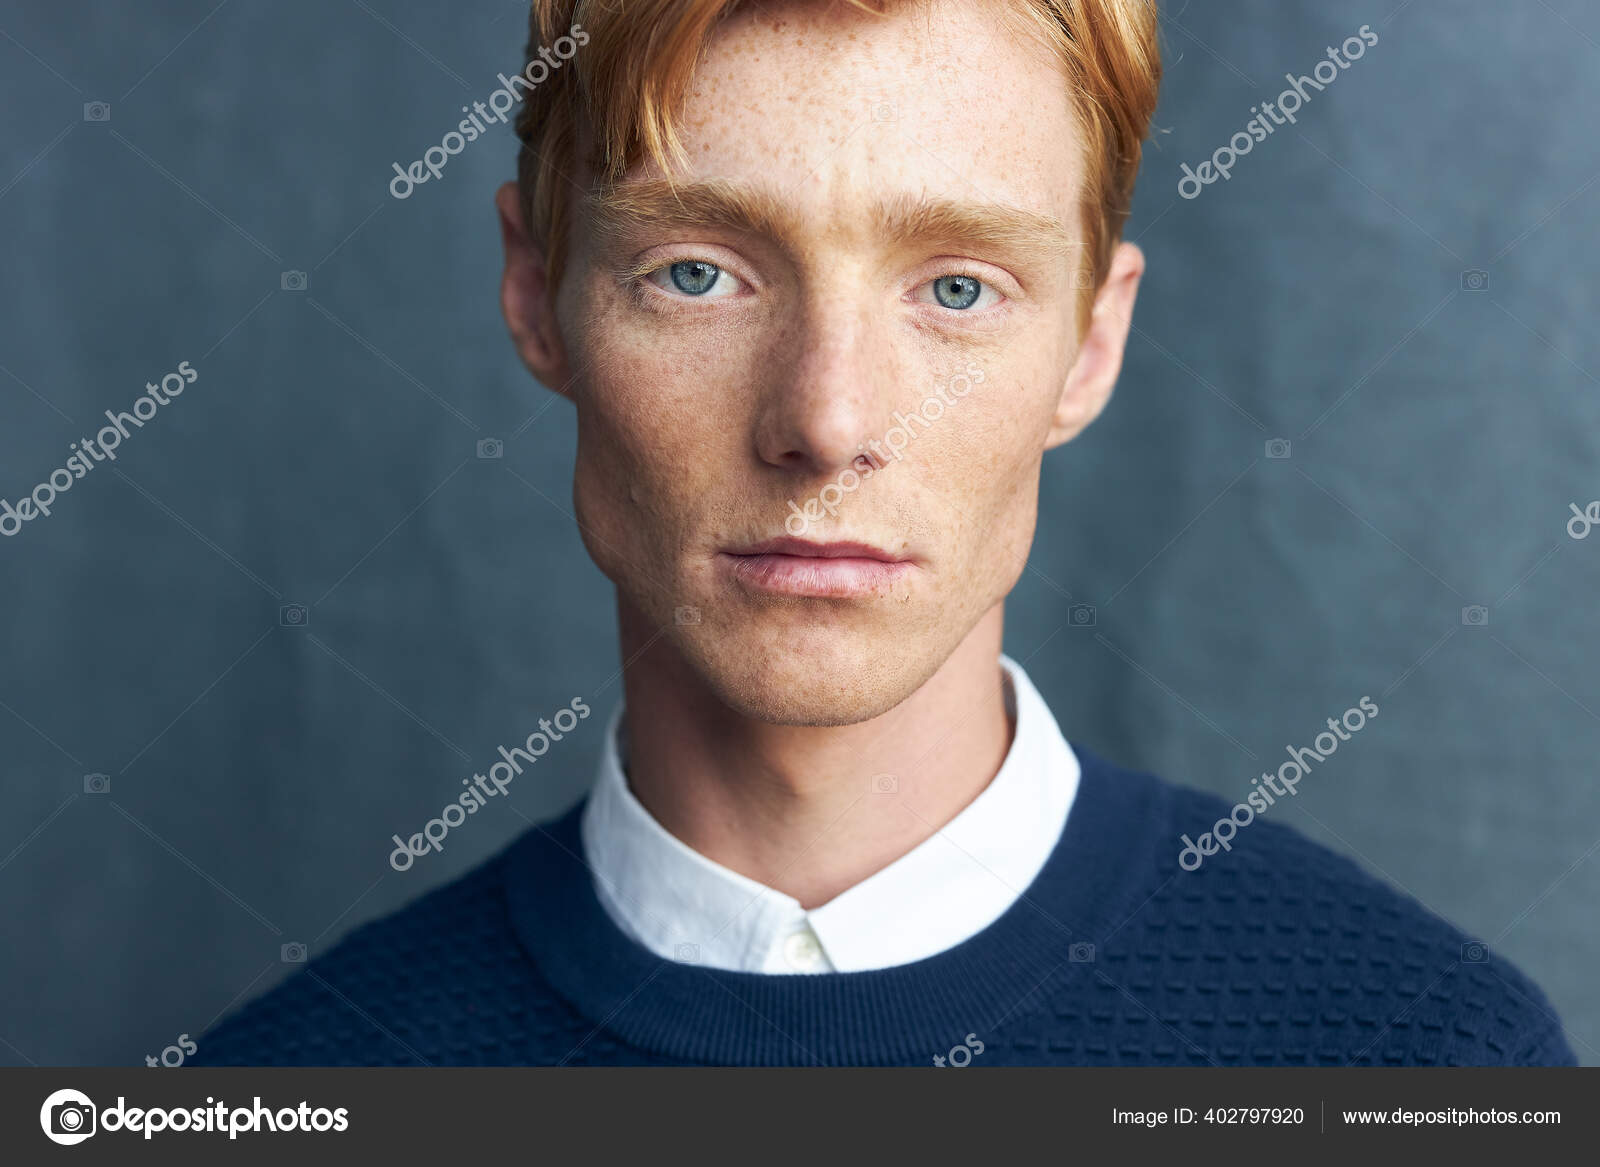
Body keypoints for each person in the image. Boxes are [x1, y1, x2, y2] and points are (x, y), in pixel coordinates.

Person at [191, 0, 1573, 1067]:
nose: (827, 417)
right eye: (697, 272)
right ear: (540, 298)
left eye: (959, 289)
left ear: (1092, 347)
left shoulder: (1425, 1058)